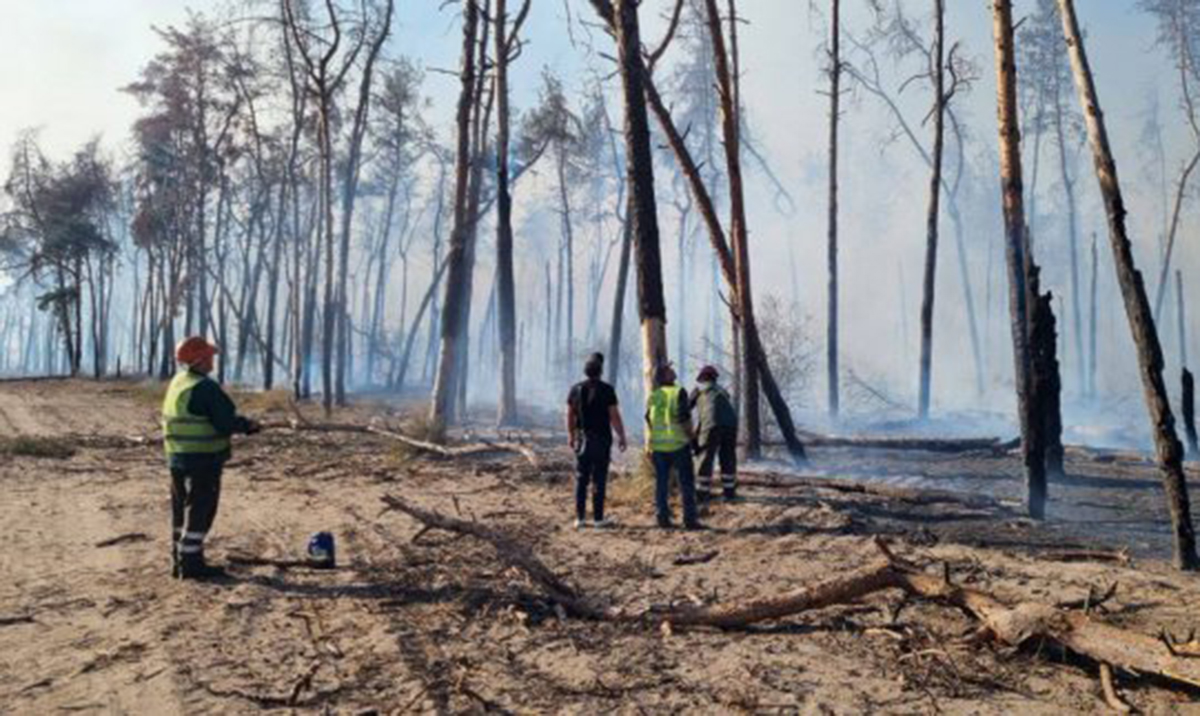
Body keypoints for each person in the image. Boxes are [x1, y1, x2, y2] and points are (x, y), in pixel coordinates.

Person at [162, 336, 261, 580]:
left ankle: (180, 560)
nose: (213, 361)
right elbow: (224, 422)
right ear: (200, 359)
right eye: (209, 357)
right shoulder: (204, 387)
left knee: (181, 509)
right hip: (202, 460)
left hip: (177, 457)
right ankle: (192, 565)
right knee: (201, 509)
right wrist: (248, 425)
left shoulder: (179, 382)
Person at [566, 353, 628, 529]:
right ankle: (598, 519)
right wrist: (621, 435)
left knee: (581, 478)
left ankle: (580, 519)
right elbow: (614, 416)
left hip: (581, 439)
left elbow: (569, 415)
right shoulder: (607, 390)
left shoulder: (575, 389)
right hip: (601, 440)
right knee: (599, 479)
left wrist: (570, 435)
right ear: (601, 371)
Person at [645, 364, 701, 530]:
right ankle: (689, 520)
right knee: (686, 483)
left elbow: (648, 418)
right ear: (665, 376)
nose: (672, 369)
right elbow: (684, 419)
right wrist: (693, 441)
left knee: (661, 483)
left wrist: (650, 444)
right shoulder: (679, 392)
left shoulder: (654, 395)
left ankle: (662, 518)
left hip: (659, 448)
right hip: (678, 445)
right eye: (669, 369)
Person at [690, 365, 739, 501]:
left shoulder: (699, 389)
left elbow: (686, 408)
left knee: (705, 457)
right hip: (731, 424)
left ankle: (702, 493)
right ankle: (729, 492)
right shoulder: (722, 390)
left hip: (712, 425)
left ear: (701, 378)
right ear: (715, 378)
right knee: (728, 456)